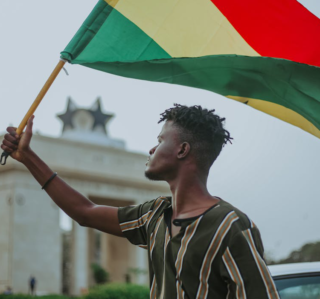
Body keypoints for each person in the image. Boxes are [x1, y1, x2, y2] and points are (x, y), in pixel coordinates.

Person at [1, 104, 280, 299]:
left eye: (160, 140)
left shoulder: (231, 226)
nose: (151, 148)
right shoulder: (155, 215)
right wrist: (27, 157)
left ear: (182, 150)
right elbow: (84, 211)